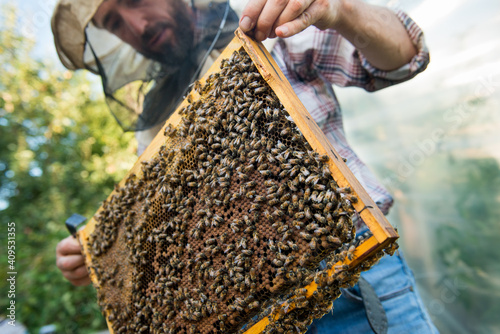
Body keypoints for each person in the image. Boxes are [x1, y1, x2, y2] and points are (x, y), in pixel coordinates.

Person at [53, 0, 437, 332]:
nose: (136, 26)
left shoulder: (272, 22)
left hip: (354, 279)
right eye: (114, 24)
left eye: (133, 0)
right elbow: (168, 240)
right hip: (250, 314)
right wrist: (104, 257)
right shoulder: (153, 126)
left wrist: (339, 10)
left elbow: (405, 58)